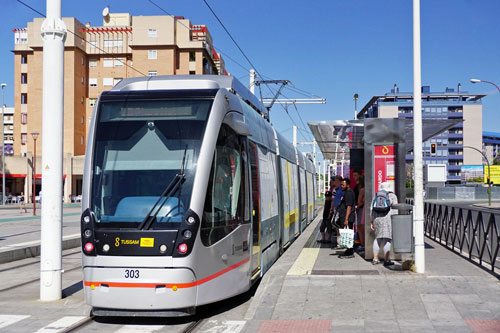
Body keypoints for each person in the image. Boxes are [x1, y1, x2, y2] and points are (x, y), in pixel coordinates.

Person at [370, 182, 398, 266]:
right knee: (387, 239)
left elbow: (371, 208)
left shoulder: (376, 195)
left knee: (377, 238)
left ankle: (375, 259)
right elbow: (395, 209)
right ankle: (386, 260)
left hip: (377, 219)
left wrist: (371, 221)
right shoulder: (392, 196)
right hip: (388, 219)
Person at [338, 178, 356, 258]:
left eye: (343, 185)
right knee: (348, 234)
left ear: (348, 185)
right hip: (347, 217)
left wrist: (346, 219)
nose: (341, 186)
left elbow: (349, 206)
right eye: (341, 185)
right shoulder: (347, 192)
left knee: (349, 234)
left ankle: (350, 251)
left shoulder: (348, 193)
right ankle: (349, 250)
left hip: (348, 217)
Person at [329, 175, 343, 246]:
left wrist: (331, 210)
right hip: (336, 209)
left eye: (335, 180)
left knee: (338, 225)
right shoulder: (336, 189)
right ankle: (339, 243)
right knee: (336, 225)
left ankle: (340, 243)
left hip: (339, 209)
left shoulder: (341, 189)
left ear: (338, 181)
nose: (333, 182)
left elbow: (333, 200)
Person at [355, 175, 366, 249]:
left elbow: (359, 201)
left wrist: (357, 206)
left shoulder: (362, 190)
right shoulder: (369, 189)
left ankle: (362, 244)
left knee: (360, 227)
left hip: (362, 209)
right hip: (367, 209)